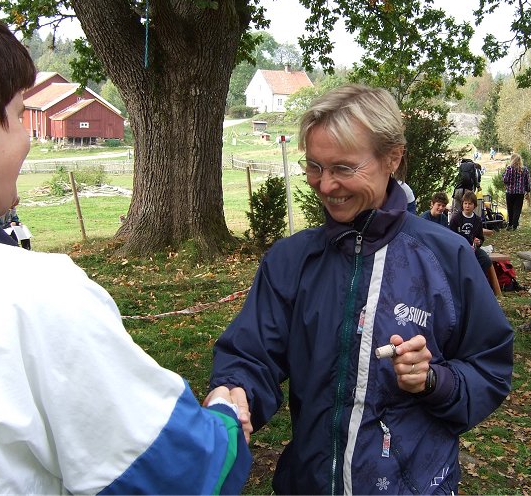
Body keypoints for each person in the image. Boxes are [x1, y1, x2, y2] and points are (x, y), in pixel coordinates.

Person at [0, 0, 250, 494]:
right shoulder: (36, 296)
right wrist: (225, 413)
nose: (27, 138)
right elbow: (184, 474)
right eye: (18, 114)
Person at [209, 84, 513, 494]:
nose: (325, 185)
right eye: (314, 166)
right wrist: (233, 392)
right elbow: (251, 354)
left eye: (343, 168)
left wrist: (434, 380)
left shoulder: (447, 258)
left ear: (392, 158)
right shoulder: (290, 260)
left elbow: (490, 367)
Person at [448, 190, 493, 275]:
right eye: (465, 203)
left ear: (474, 206)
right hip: (459, 249)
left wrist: (478, 242)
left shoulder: (478, 220)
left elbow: (480, 237)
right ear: (462, 204)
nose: (467, 206)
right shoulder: (455, 219)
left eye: (470, 204)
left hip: (473, 249)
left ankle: (477, 278)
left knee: (486, 260)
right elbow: (450, 237)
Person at [502, 152, 531, 230]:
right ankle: (515, 225)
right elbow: (527, 181)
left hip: (510, 192)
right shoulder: (524, 169)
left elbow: (505, 180)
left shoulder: (509, 169)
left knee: (510, 208)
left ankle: (510, 224)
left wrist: (504, 176)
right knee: (517, 209)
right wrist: (528, 191)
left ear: (512, 159)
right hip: (520, 192)